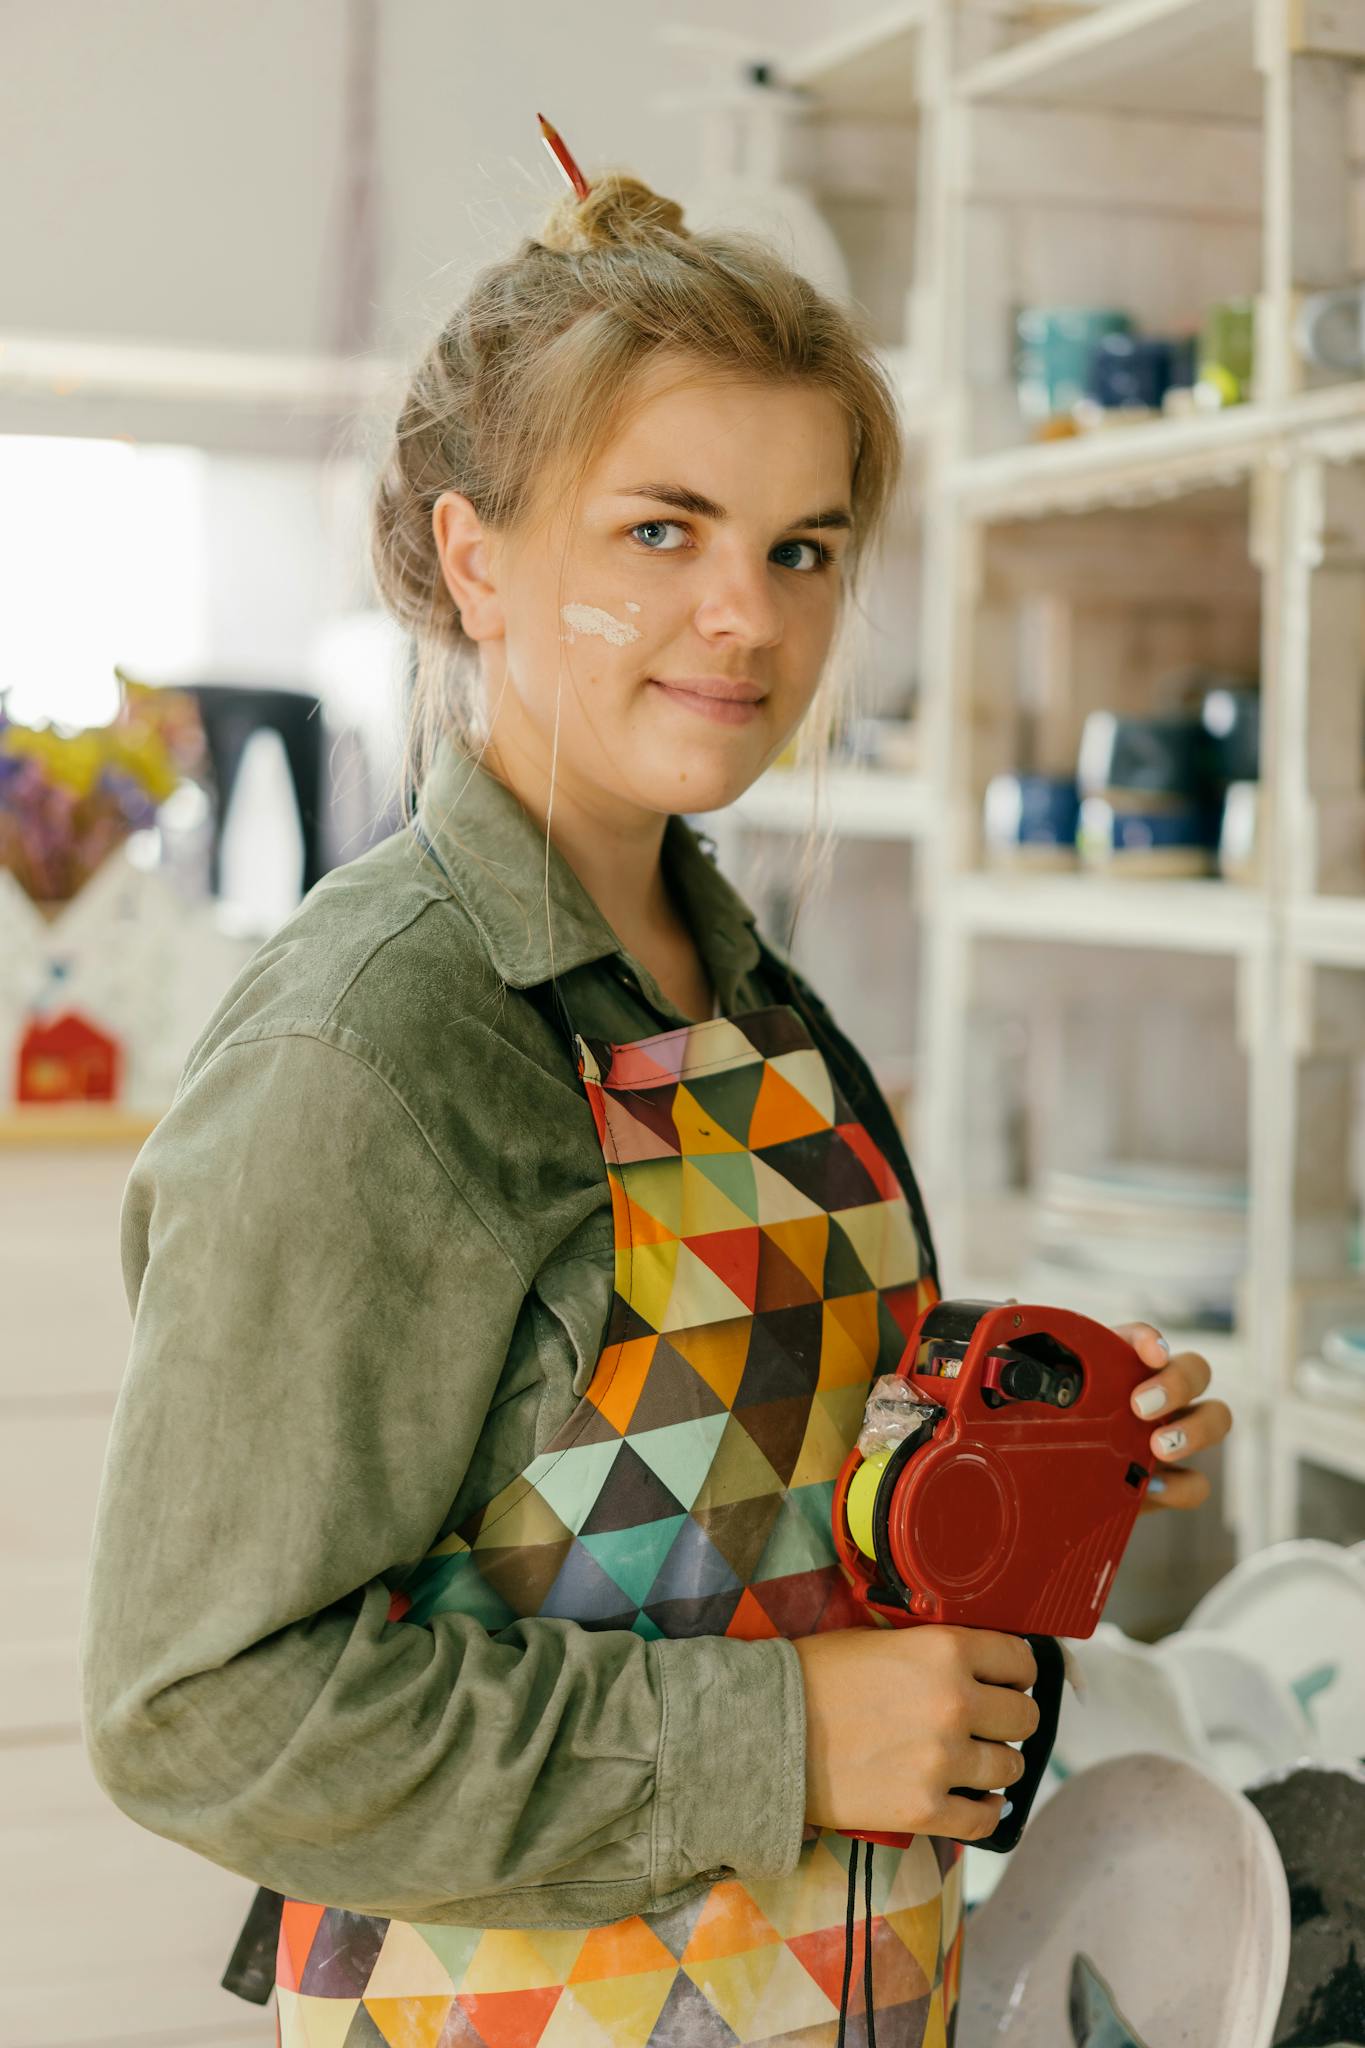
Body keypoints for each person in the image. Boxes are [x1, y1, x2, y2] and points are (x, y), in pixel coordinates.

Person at [79, 149, 1232, 2048]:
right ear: (475, 557)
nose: (749, 622)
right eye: (659, 533)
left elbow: (736, 1481)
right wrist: (775, 1740)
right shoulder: (376, 1047)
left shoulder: (742, 987)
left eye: (799, 548)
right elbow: (196, 1711)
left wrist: (1016, 1434)